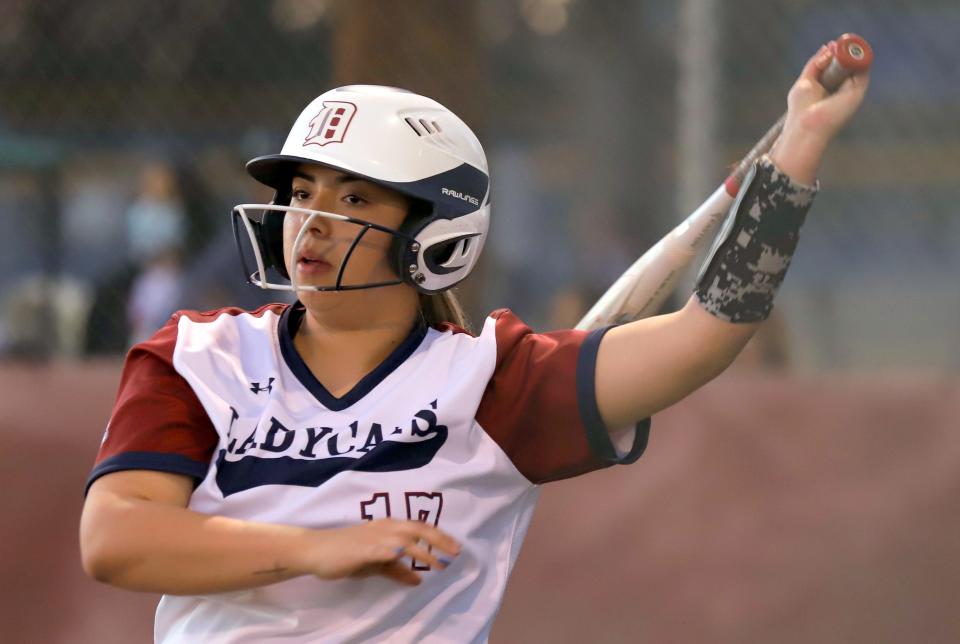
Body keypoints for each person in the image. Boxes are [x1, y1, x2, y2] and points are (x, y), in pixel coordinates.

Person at [80, 43, 869, 643]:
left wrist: (797, 147)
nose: (310, 221)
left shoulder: (495, 381)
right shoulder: (197, 357)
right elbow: (116, 538)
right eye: (300, 192)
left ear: (436, 235)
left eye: (352, 196)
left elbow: (708, 335)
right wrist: (317, 548)